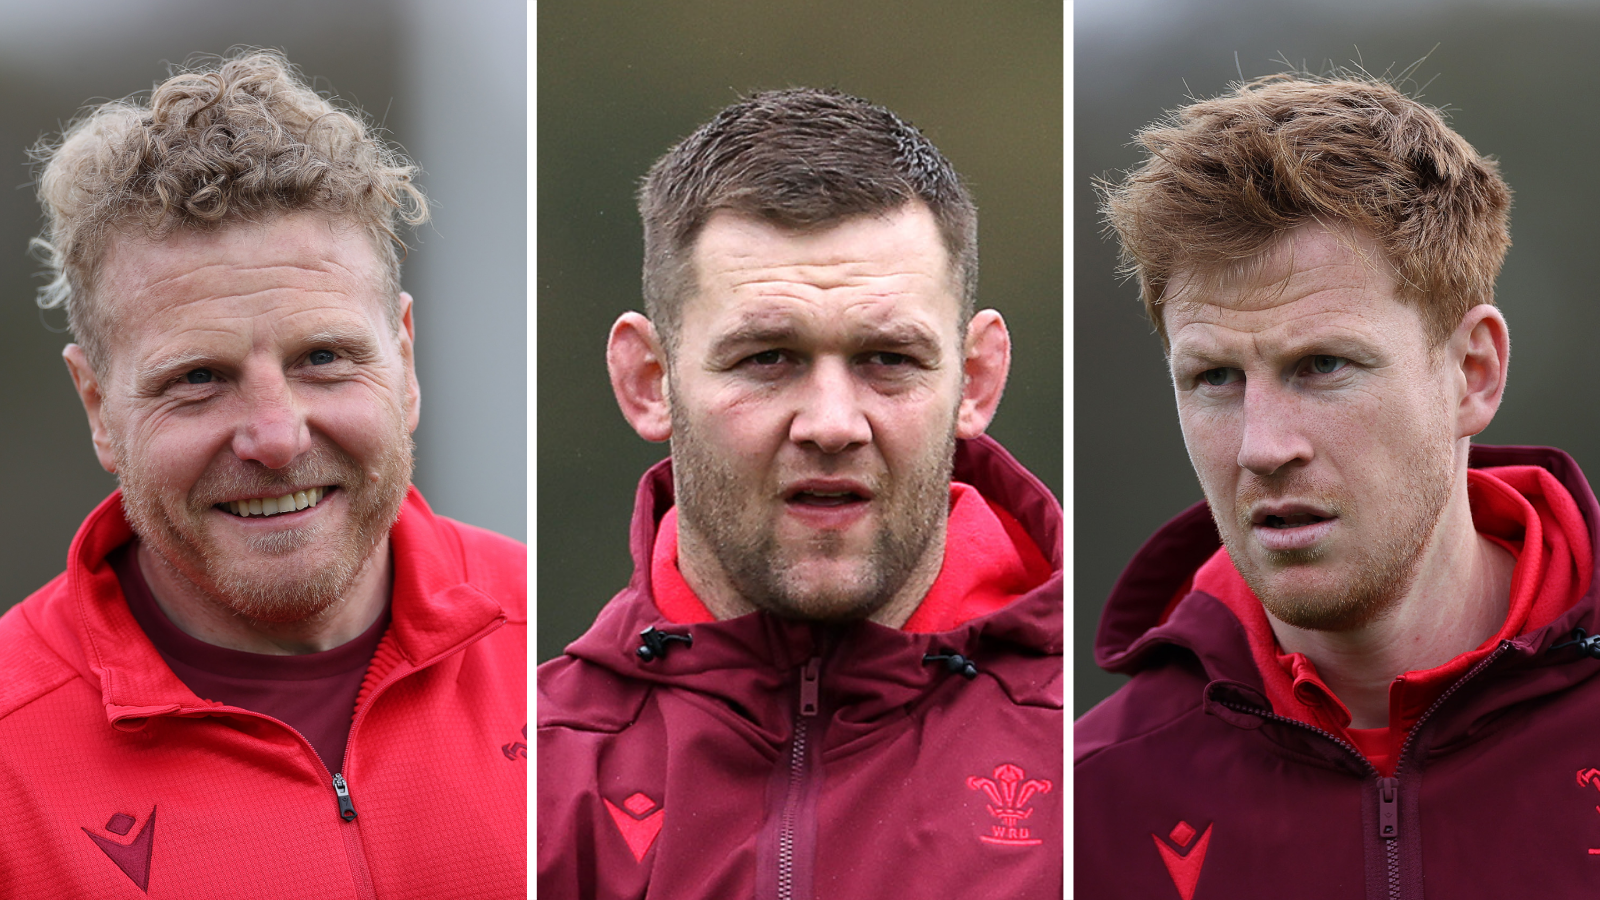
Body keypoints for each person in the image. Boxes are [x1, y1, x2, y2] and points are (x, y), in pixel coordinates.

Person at [0, 51, 525, 897]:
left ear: (404, 358)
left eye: (323, 357)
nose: (275, 438)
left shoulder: (559, 653)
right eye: (197, 378)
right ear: (98, 406)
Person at [1076, 73, 1600, 898]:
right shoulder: (1088, 804)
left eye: (1322, 366)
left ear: (1474, 373)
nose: (1262, 446)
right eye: (1214, 377)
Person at [536, 88, 1063, 898]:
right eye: (767, 357)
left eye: (888, 358)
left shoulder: (1101, 767)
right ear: (649, 381)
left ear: (977, 379)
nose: (830, 424)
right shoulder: (524, 779)